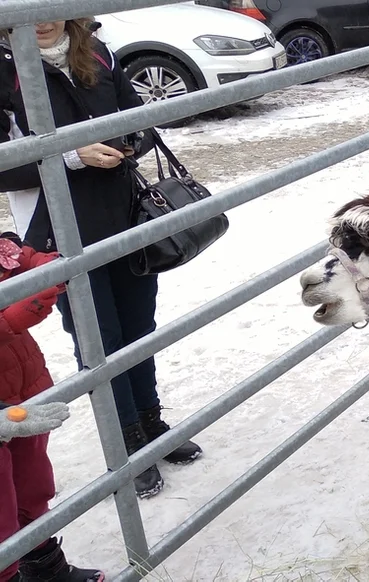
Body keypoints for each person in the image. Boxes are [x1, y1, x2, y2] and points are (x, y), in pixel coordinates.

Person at [0, 19, 201, 501]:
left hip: (126, 217)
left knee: (138, 328)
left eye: (51, 5)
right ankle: (126, 442)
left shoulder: (98, 54)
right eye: (27, 10)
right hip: (58, 232)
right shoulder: (3, 73)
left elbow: (138, 119)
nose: (42, 20)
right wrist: (68, 156)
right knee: (100, 342)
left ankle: (152, 421)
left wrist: (129, 140)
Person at [1, 232, 103, 582]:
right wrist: (8, 319)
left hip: (24, 394)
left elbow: (35, 261)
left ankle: (46, 569)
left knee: (33, 486)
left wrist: (43, 271)